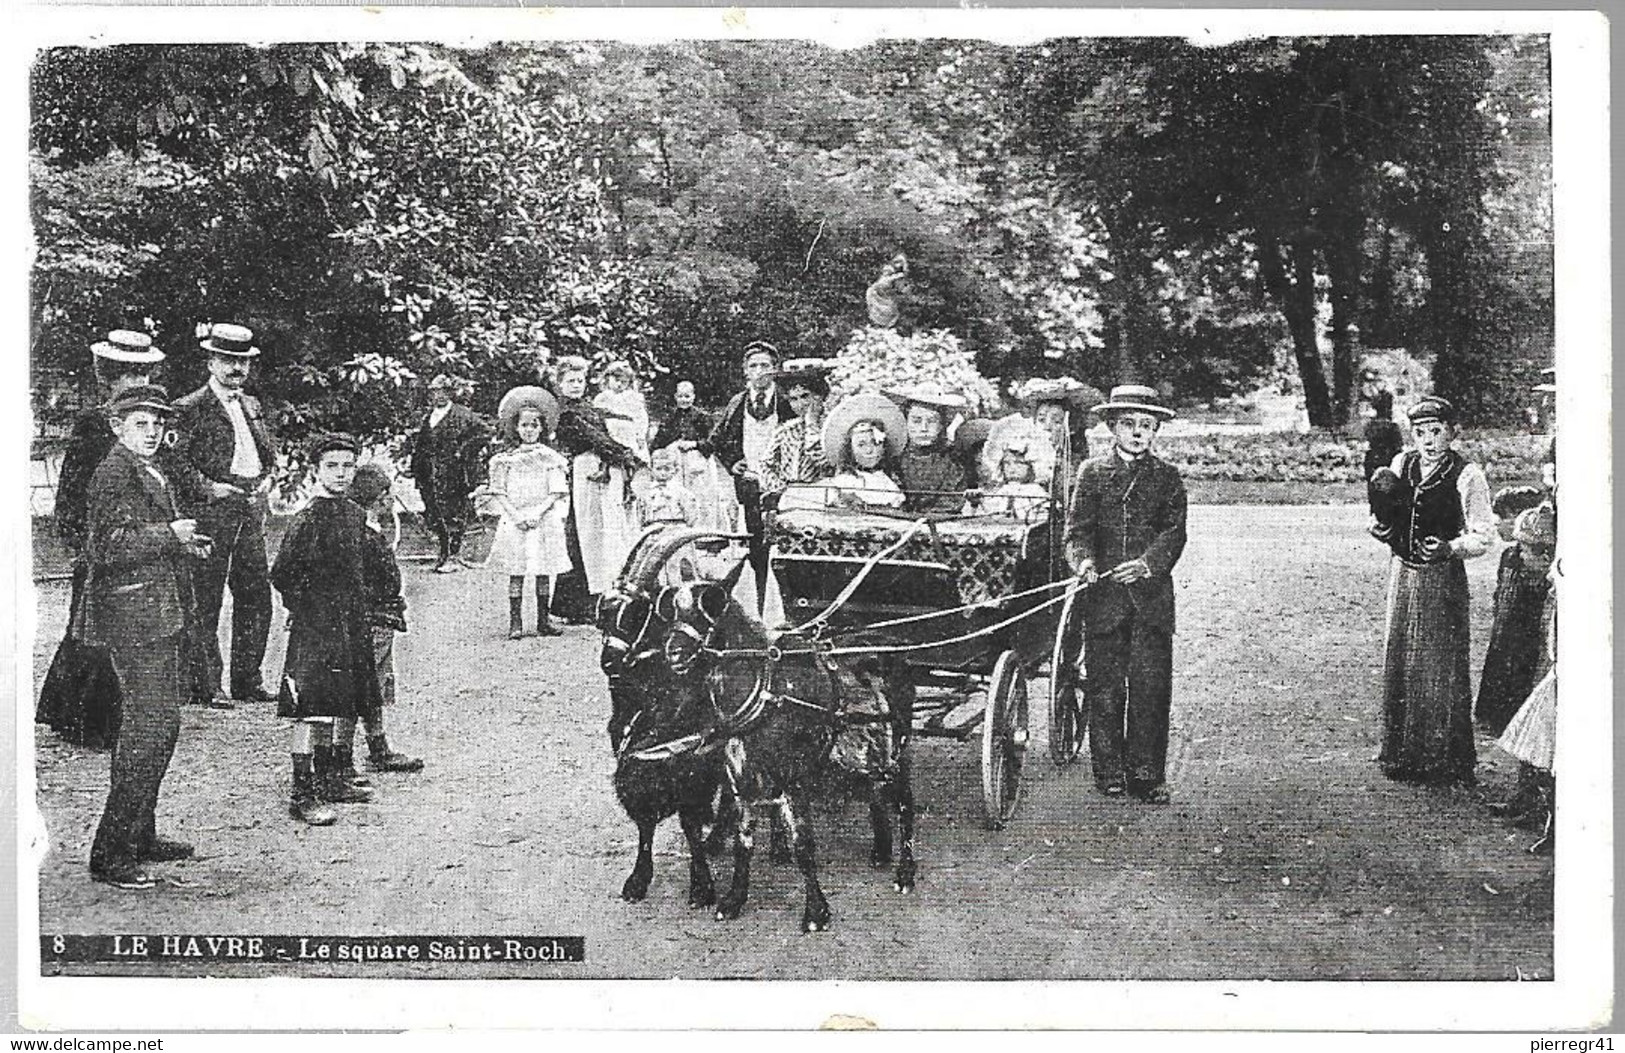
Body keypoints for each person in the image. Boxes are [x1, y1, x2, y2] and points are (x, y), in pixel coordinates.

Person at [81, 384, 213, 888]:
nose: (153, 431)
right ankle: (111, 853)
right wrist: (170, 536)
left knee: (162, 726)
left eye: (158, 422)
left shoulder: (147, 467)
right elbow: (108, 547)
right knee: (147, 728)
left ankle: (140, 835)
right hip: (133, 618)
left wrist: (184, 545)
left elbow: (144, 533)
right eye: (141, 423)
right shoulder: (114, 471)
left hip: (155, 611)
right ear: (117, 426)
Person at [39, 331, 169, 748]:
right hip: (101, 538)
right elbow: (73, 490)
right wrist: (80, 542)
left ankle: (106, 716)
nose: (138, 382)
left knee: (114, 629)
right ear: (109, 378)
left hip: (130, 533)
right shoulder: (96, 424)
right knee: (92, 628)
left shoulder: (142, 419)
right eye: (129, 375)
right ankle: (83, 719)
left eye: (143, 373)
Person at [1064, 384, 1188, 805]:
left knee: (1151, 688)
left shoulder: (1167, 478)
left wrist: (1149, 564)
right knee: (1104, 687)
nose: (1138, 433)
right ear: (1112, 428)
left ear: (1155, 432)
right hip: (1104, 600)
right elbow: (1076, 533)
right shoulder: (1092, 474)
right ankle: (1110, 771)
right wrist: (1082, 563)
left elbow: (1174, 532)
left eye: (1146, 427)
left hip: (1151, 601)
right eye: (1129, 425)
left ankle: (1147, 773)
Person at [1369, 396, 1495, 787]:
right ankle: (1401, 753)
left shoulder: (1466, 474)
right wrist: (1383, 527)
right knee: (1402, 659)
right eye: (1420, 433)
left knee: (1437, 666)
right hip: (1403, 573)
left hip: (1441, 579)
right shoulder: (1401, 464)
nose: (1427, 440)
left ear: (1452, 432)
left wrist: (1450, 548)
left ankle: (1441, 760)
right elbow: (1383, 513)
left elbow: (1484, 535)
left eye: (1436, 432)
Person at [272, 433, 384, 825]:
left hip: (350, 622)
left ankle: (331, 779)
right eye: (332, 466)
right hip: (317, 625)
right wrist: (305, 609)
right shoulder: (308, 518)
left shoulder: (353, 513)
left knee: (341, 698)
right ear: (316, 471)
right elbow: (283, 572)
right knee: (312, 708)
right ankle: (302, 793)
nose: (341, 473)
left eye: (347, 466)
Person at [172, 322, 278, 705]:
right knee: (206, 598)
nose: (237, 369)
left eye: (243, 362)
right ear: (211, 362)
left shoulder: (252, 404)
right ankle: (207, 684)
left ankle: (247, 680)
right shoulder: (188, 408)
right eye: (228, 360)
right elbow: (177, 465)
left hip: (250, 509)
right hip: (211, 511)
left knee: (256, 596)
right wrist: (210, 488)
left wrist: (268, 479)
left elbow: (266, 453)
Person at [551, 356, 643, 619]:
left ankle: (596, 596)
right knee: (585, 532)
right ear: (560, 384)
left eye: (580, 380)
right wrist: (623, 455)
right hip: (586, 469)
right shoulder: (566, 412)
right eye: (570, 381)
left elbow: (607, 427)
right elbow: (595, 438)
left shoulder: (588, 406)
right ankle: (577, 604)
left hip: (601, 467)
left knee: (600, 532)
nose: (576, 385)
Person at [347, 462, 424, 774]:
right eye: (389, 493)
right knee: (359, 688)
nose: (393, 498)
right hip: (372, 618)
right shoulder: (360, 535)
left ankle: (378, 747)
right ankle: (342, 758)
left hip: (383, 617)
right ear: (380, 498)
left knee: (376, 685)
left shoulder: (372, 530)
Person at [1495, 514, 1558, 855]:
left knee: (1545, 741)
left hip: (1553, 669)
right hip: (1540, 664)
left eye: (1527, 550)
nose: (1520, 556)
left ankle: (1543, 811)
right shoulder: (1540, 585)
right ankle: (1526, 799)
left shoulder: (1552, 586)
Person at [706, 342, 795, 581]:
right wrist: (732, 461)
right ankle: (759, 588)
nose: (759, 371)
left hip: (783, 483)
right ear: (745, 370)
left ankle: (782, 594)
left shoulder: (787, 401)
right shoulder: (738, 402)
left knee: (781, 537)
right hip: (750, 480)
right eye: (753, 366)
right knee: (755, 537)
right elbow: (716, 439)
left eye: (765, 365)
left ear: (774, 369)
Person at [486, 389, 571, 639]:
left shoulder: (549, 457)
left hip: (542, 519)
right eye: (524, 425)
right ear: (516, 428)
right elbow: (499, 491)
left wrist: (538, 513)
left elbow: (556, 490)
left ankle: (543, 621)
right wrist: (515, 516)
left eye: (534, 426)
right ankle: (516, 623)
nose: (529, 430)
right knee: (517, 569)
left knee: (543, 569)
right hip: (516, 520)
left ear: (542, 428)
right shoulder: (505, 460)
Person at [1474, 487, 1553, 735]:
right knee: (1500, 666)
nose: (1497, 526)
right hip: (1505, 625)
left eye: (1502, 520)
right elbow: (1501, 590)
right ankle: (1492, 714)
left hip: (1524, 628)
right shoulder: (1509, 556)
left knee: (1521, 669)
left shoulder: (1537, 565)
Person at [408, 374, 491, 573]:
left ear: (450, 393)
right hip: (428, 473)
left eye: (443, 391)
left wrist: (464, 451)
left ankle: (453, 556)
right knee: (435, 514)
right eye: (435, 391)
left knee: (453, 514)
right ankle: (444, 553)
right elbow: (421, 444)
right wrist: (414, 467)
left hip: (453, 474)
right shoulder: (428, 416)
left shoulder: (462, 414)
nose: (439, 395)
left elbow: (485, 432)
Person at [780, 392, 907, 512]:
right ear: (850, 450)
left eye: (876, 443)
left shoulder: (887, 483)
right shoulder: (843, 482)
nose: (869, 450)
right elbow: (790, 498)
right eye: (861, 445)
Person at [760, 358, 835, 498]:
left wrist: (812, 423)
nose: (800, 404)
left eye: (805, 396)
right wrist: (779, 489)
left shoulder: (833, 427)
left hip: (823, 495)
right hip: (790, 495)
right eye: (794, 399)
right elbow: (765, 465)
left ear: (819, 396)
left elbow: (823, 460)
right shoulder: (786, 429)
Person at [890, 383, 969, 514]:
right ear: (905, 422)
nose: (923, 428)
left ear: (941, 425)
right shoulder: (893, 462)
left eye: (931, 421)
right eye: (916, 421)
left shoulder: (952, 463)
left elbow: (951, 503)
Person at [965, 415, 1054, 522]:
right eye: (1007, 463)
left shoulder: (1035, 492)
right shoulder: (1001, 491)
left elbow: (1044, 515)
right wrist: (978, 501)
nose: (1012, 468)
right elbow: (991, 511)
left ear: (1032, 465)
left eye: (1019, 463)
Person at [592, 359, 651, 478]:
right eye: (616, 380)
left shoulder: (632, 398)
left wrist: (640, 435)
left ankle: (630, 480)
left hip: (628, 434)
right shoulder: (602, 398)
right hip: (610, 432)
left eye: (623, 382)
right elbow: (597, 416)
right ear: (608, 378)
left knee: (632, 458)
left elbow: (641, 418)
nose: (619, 384)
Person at [637, 445, 698, 528]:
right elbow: (641, 517)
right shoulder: (646, 492)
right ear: (651, 469)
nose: (662, 473)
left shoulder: (682, 492)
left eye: (667, 469)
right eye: (658, 469)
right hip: (653, 529)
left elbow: (691, 517)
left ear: (675, 470)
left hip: (676, 529)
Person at [1363, 390, 1405, 503]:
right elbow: (1398, 447)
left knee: (1373, 488)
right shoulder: (1392, 426)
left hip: (1373, 459)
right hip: (1389, 459)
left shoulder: (1370, 426)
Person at [651, 380, 711, 452]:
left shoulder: (700, 417)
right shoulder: (671, 416)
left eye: (687, 396)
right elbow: (660, 439)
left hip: (695, 454)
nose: (683, 400)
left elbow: (709, 442)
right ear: (675, 397)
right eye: (680, 396)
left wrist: (694, 444)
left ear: (693, 397)